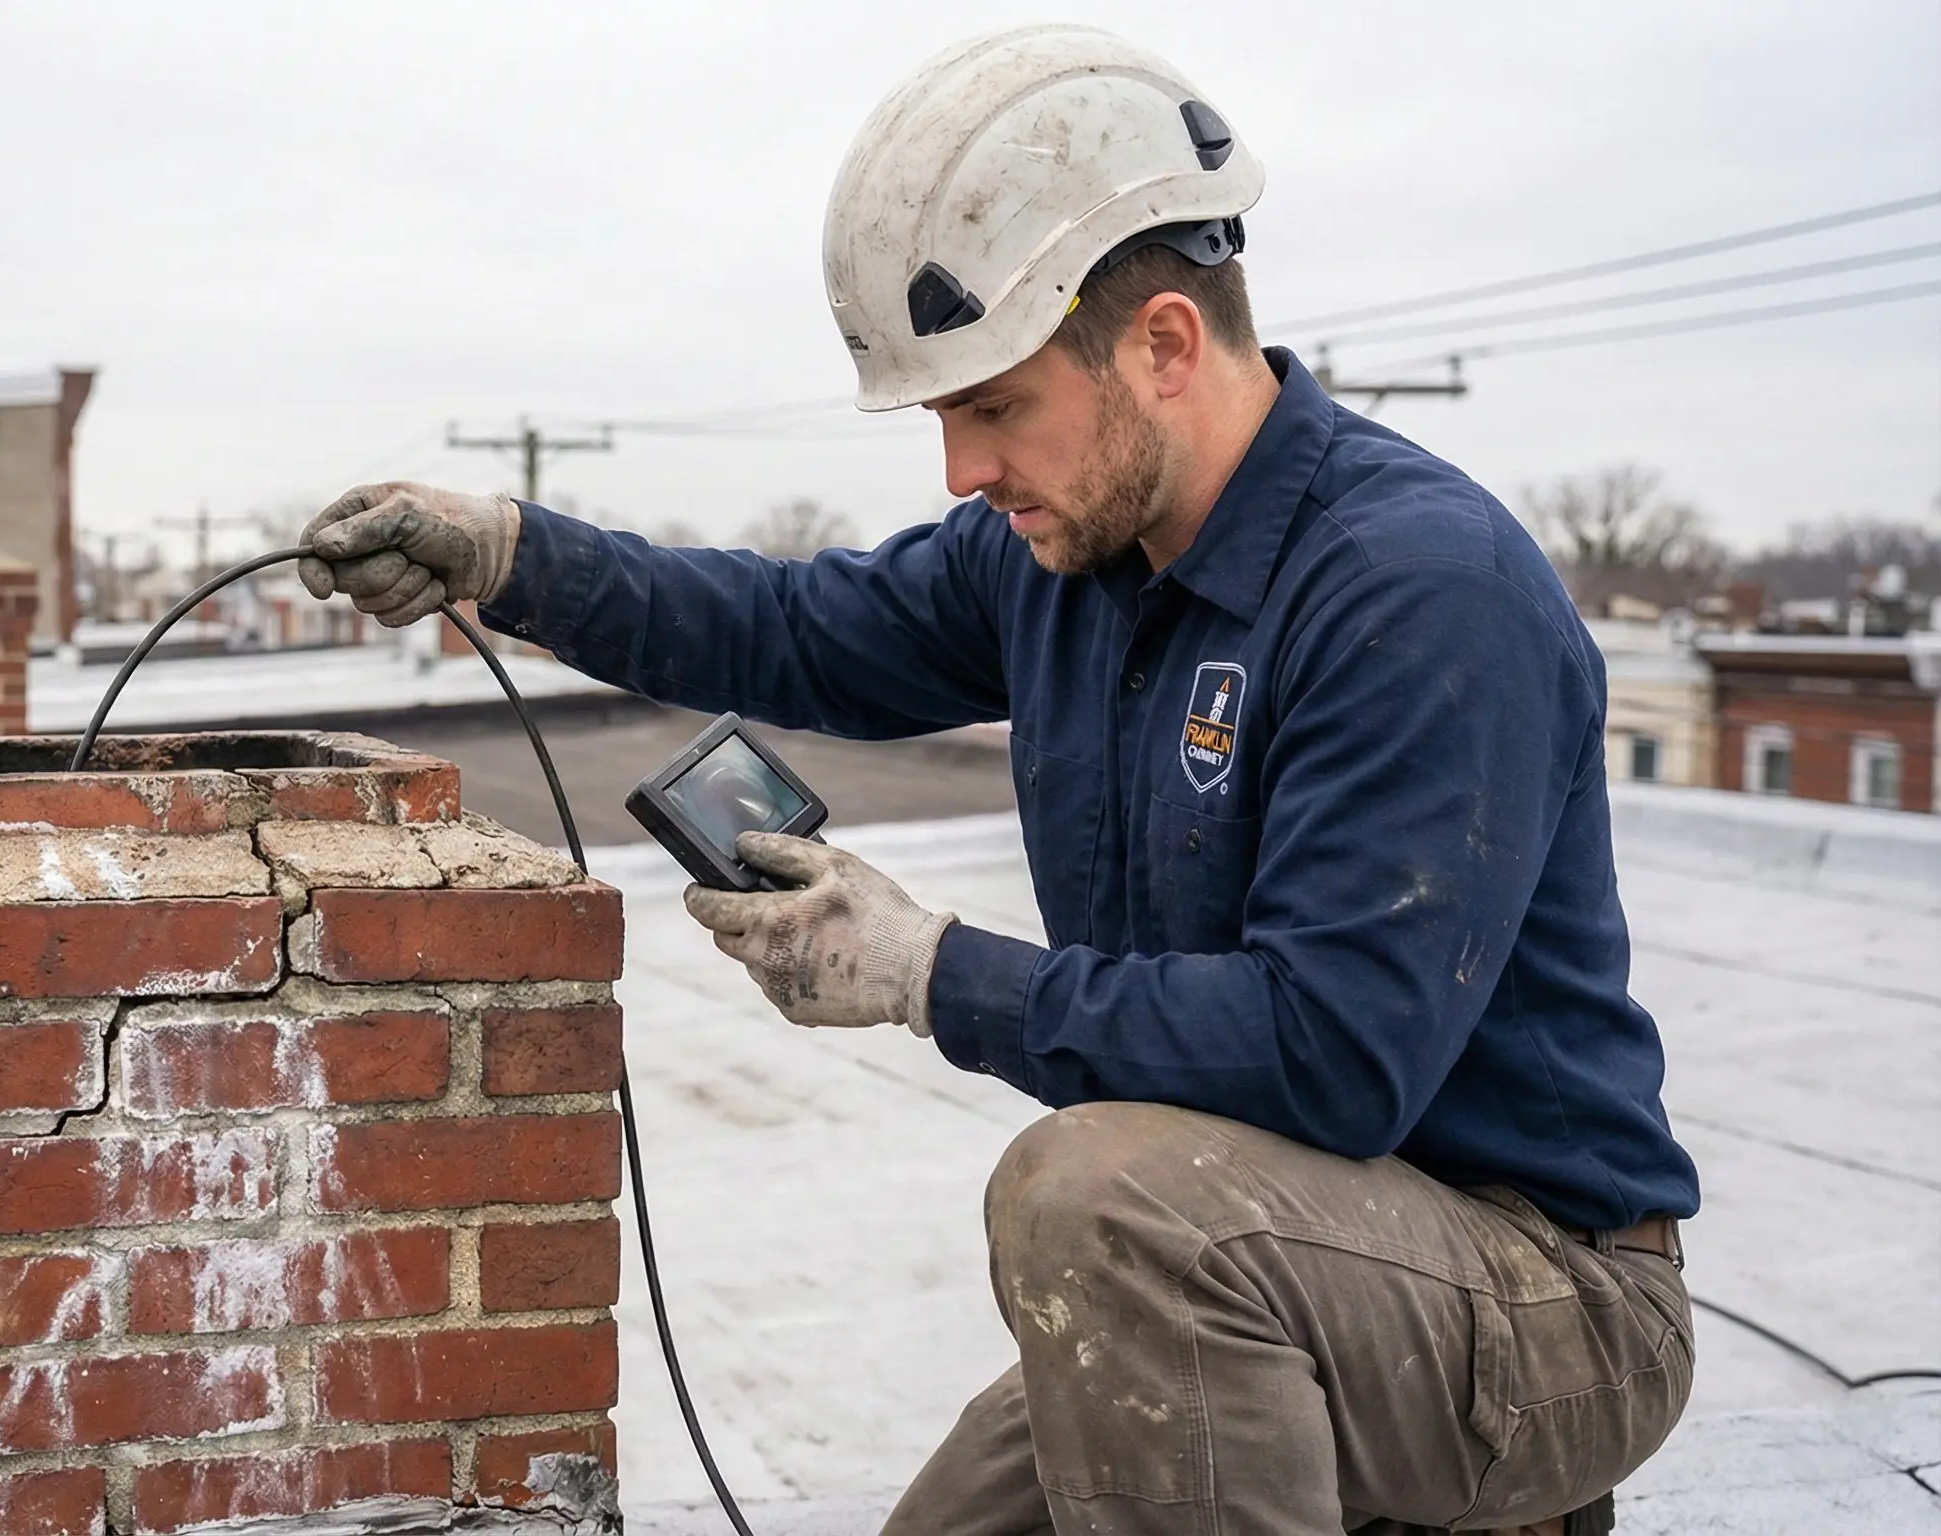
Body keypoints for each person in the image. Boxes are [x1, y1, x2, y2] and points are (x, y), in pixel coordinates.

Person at [298, 24, 1695, 1536]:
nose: (963, 470)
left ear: (1163, 345)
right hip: (1245, 1245)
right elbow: (795, 628)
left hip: (1543, 1300)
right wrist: (513, 556)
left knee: (1093, 1196)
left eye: (994, 407)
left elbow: (1332, 1056)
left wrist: (927, 972)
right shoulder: (1067, 558)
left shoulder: (1417, 590)